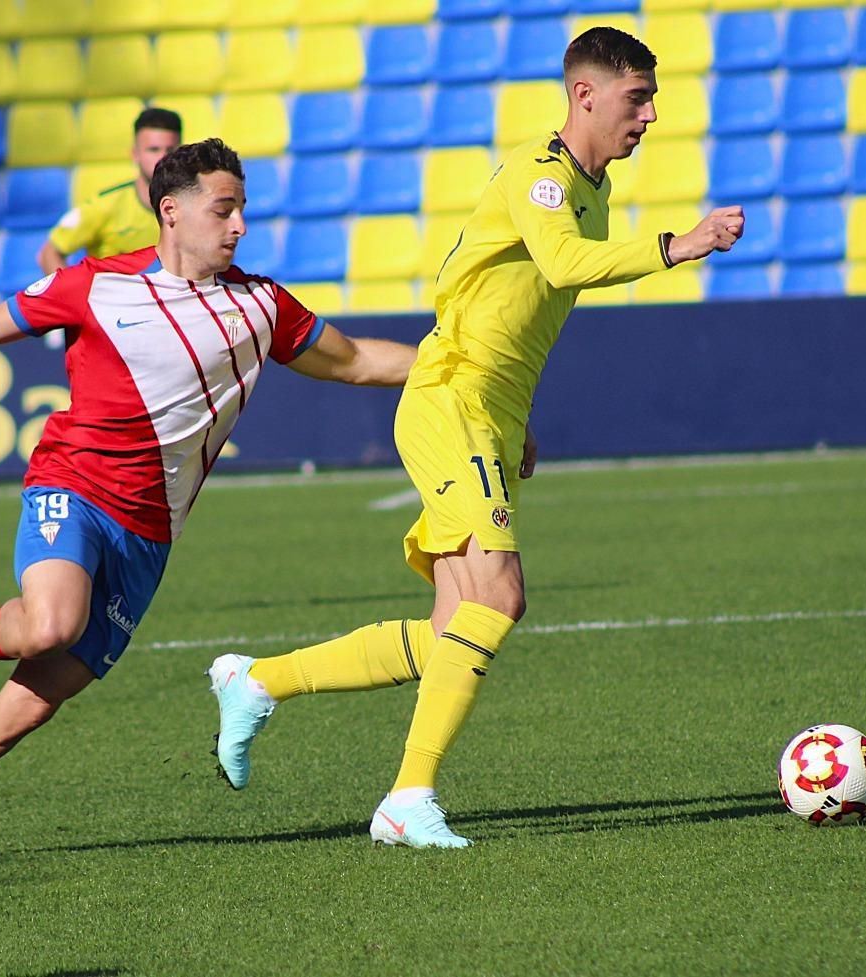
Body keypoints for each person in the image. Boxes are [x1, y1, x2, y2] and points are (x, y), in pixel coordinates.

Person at [207, 27, 746, 848]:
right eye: (637, 98)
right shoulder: (542, 175)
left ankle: (259, 680)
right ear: (585, 95)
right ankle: (407, 798)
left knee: (452, 630)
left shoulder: (591, 187)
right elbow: (562, 264)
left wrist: (516, 417)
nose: (649, 116)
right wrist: (680, 245)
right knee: (499, 597)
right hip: (451, 400)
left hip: (484, 409)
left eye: (652, 100)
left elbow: (519, 308)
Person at [0, 138, 418, 867]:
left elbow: (356, 361)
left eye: (242, 210)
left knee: (25, 709)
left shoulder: (261, 305)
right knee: (52, 622)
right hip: (72, 485)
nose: (239, 226)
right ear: (171, 211)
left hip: (150, 536)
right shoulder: (96, 285)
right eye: (223, 209)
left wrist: (465, 367)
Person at [36, 107, 183, 276]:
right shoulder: (104, 205)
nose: (162, 158)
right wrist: (72, 290)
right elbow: (48, 253)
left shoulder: (192, 205)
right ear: (135, 154)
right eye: (153, 149)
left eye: (170, 150)